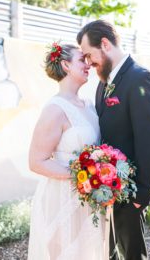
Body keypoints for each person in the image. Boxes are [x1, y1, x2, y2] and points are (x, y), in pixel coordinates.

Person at [77, 20, 150, 260]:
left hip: (133, 191)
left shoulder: (140, 79)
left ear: (104, 44)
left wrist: (141, 196)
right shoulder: (102, 83)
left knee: (131, 255)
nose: (87, 62)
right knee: (109, 251)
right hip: (108, 188)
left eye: (88, 55)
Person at [27, 43, 105, 260]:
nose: (88, 64)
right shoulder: (55, 109)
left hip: (89, 197)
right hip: (61, 197)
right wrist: (84, 177)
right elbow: (36, 161)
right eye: (82, 60)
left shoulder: (89, 105)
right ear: (65, 65)